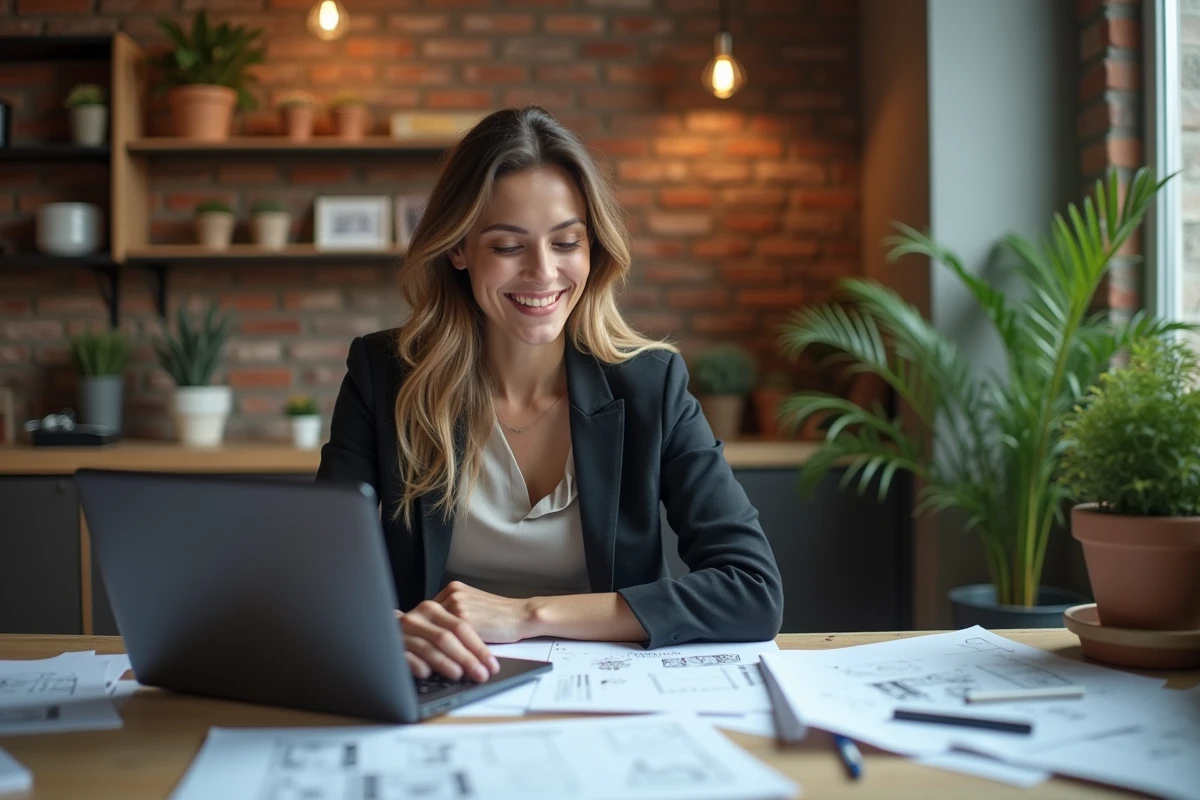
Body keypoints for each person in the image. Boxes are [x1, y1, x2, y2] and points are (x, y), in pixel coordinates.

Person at [317, 106, 783, 686]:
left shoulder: (650, 384)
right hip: (440, 691)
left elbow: (752, 590)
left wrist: (526, 616)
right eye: (508, 247)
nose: (543, 273)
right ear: (458, 249)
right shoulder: (385, 376)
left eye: (567, 242)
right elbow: (322, 582)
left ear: (594, 248)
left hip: (614, 696)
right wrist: (387, 625)